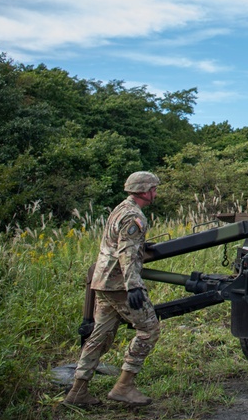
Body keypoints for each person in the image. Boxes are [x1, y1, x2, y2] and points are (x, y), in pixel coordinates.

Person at [62, 171, 161, 407]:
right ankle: (124, 386)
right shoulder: (134, 217)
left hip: (103, 282)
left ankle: (77, 392)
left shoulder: (120, 209)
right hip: (120, 285)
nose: (156, 192)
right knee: (149, 329)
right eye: (154, 188)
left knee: (99, 338)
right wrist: (134, 285)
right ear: (145, 191)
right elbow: (126, 252)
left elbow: (119, 244)